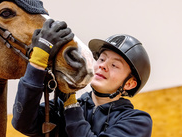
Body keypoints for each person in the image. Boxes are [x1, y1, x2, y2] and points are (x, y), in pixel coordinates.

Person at [12, 19, 152, 137]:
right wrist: (37, 63)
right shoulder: (63, 108)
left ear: (129, 84)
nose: (103, 66)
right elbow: (22, 123)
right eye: (102, 59)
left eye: (114, 65)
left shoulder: (138, 122)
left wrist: (71, 106)